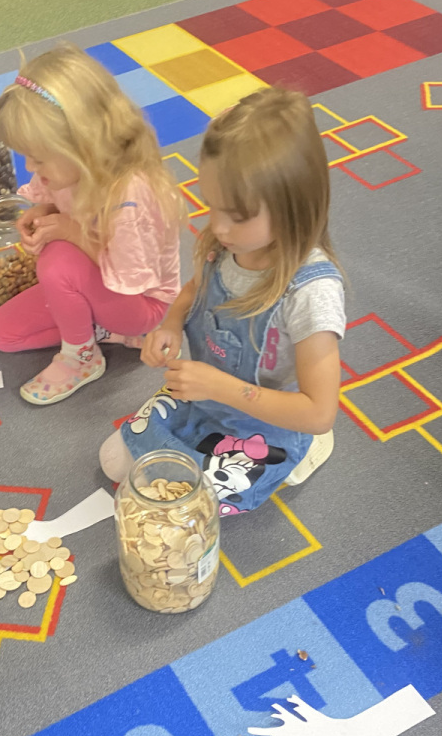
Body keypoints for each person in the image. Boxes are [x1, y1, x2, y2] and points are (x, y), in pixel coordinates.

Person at [99, 86, 345, 516]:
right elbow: (196, 289)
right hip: (206, 397)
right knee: (115, 460)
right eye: (211, 205)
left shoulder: (311, 292)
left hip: (270, 422)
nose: (218, 227)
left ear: (293, 206)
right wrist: (171, 323)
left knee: (193, 504)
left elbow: (319, 411)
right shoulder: (227, 245)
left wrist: (223, 388)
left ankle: (306, 450)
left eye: (237, 215)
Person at [0, 44, 181, 405]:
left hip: (140, 302)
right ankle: (96, 328)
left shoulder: (130, 196)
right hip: (96, 281)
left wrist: (68, 231)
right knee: (2, 333)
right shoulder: (71, 168)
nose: (29, 167)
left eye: (38, 158)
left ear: (83, 146)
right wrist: (44, 209)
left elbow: (129, 276)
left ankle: (82, 358)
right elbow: (58, 203)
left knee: (57, 260)